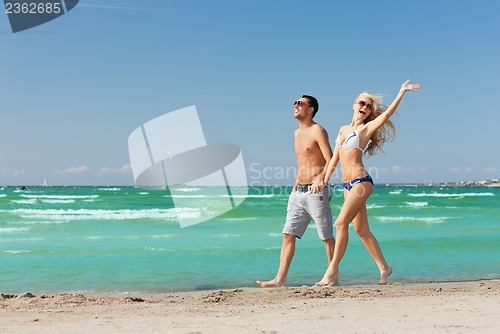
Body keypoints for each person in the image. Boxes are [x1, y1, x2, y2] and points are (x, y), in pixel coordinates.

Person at [316, 80, 421, 286]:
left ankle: (332, 271)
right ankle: (384, 267)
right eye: (362, 103)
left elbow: (387, 115)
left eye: (369, 106)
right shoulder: (342, 129)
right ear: (354, 104)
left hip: (361, 182)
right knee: (361, 230)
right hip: (347, 186)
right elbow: (334, 160)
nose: (365, 108)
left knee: (340, 223)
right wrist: (324, 180)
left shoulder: (365, 129)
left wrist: (401, 92)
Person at [256, 95, 336, 288]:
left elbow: (331, 159)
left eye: (300, 103)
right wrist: (294, 187)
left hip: (316, 193)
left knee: (326, 237)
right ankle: (280, 279)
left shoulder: (318, 130)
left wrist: (321, 178)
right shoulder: (296, 133)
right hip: (297, 193)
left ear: (310, 110)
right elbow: (302, 163)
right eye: (295, 102)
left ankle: (332, 277)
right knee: (287, 234)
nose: (295, 105)